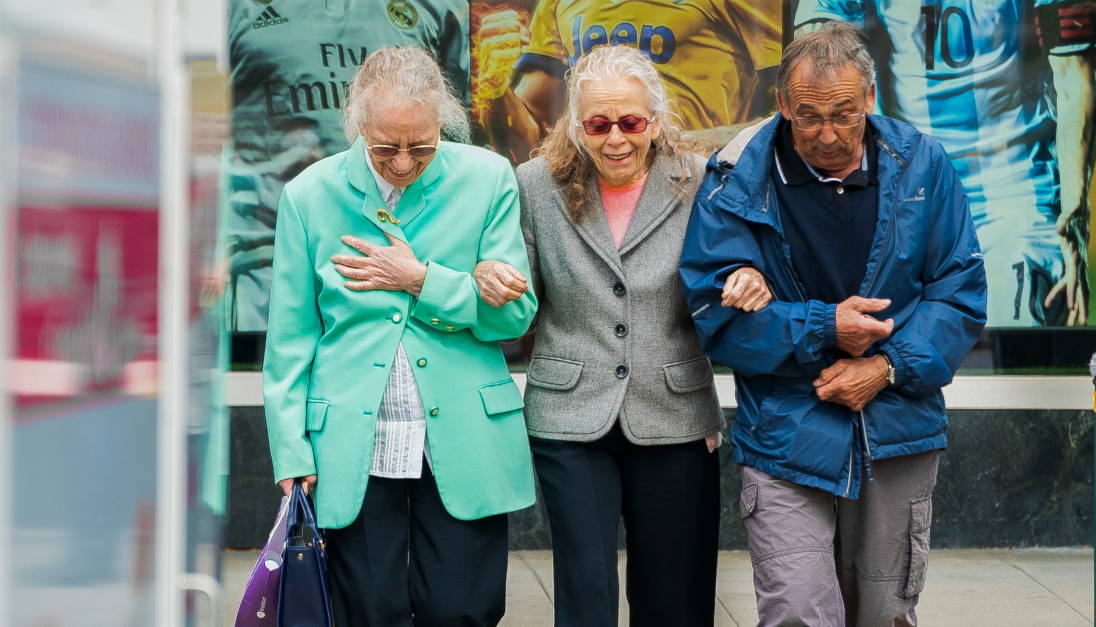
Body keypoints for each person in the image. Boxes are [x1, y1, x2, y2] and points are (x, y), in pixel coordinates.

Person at [680, 23, 986, 626]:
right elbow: (715, 316)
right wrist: (823, 327)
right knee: (796, 612)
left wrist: (887, 367)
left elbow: (960, 293)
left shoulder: (921, 163)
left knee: (885, 614)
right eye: (809, 117)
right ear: (783, 105)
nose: (827, 134)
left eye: (844, 114)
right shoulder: (738, 178)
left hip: (896, 426)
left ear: (870, 97)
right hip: (786, 429)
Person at [475, 45, 770, 627]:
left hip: (674, 410)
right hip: (570, 414)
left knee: (675, 599)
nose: (616, 138)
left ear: (655, 120)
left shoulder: (701, 180)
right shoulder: (534, 184)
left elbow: (732, 262)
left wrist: (749, 273)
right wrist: (491, 275)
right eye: (598, 124)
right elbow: (519, 297)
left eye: (631, 122)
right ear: (575, 125)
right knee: (586, 595)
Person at [262, 46, 537, 627]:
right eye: (387, 147)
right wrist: (291, 449)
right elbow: (290, 342)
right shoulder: (309, 197)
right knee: (369, 610)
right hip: (351, 440)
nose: (406, 163)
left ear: (444, 122)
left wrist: (422, 281)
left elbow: (515, 318)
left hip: (463, 434)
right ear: (358, 125)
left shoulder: (487, 179)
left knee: (462, 609)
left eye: (423, 146)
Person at [794, 0, 1096, 327]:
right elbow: (815, 74)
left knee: (1008, 327)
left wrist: (1076, 207)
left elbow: (1075, 78)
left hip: (1015, 199)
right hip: (905, 205)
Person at [226, 0, 470, 332]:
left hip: (400, 261)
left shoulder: (441, 8)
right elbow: (196, 128)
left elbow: (456, 140)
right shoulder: (234, 10)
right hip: (265, 263)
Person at [473, 0, 782, 161]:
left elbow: (791, 117)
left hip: (698, 192)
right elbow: (529, 142)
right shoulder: (558, 3)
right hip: (595, 194)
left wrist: (680, 149)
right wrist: (495, 89)